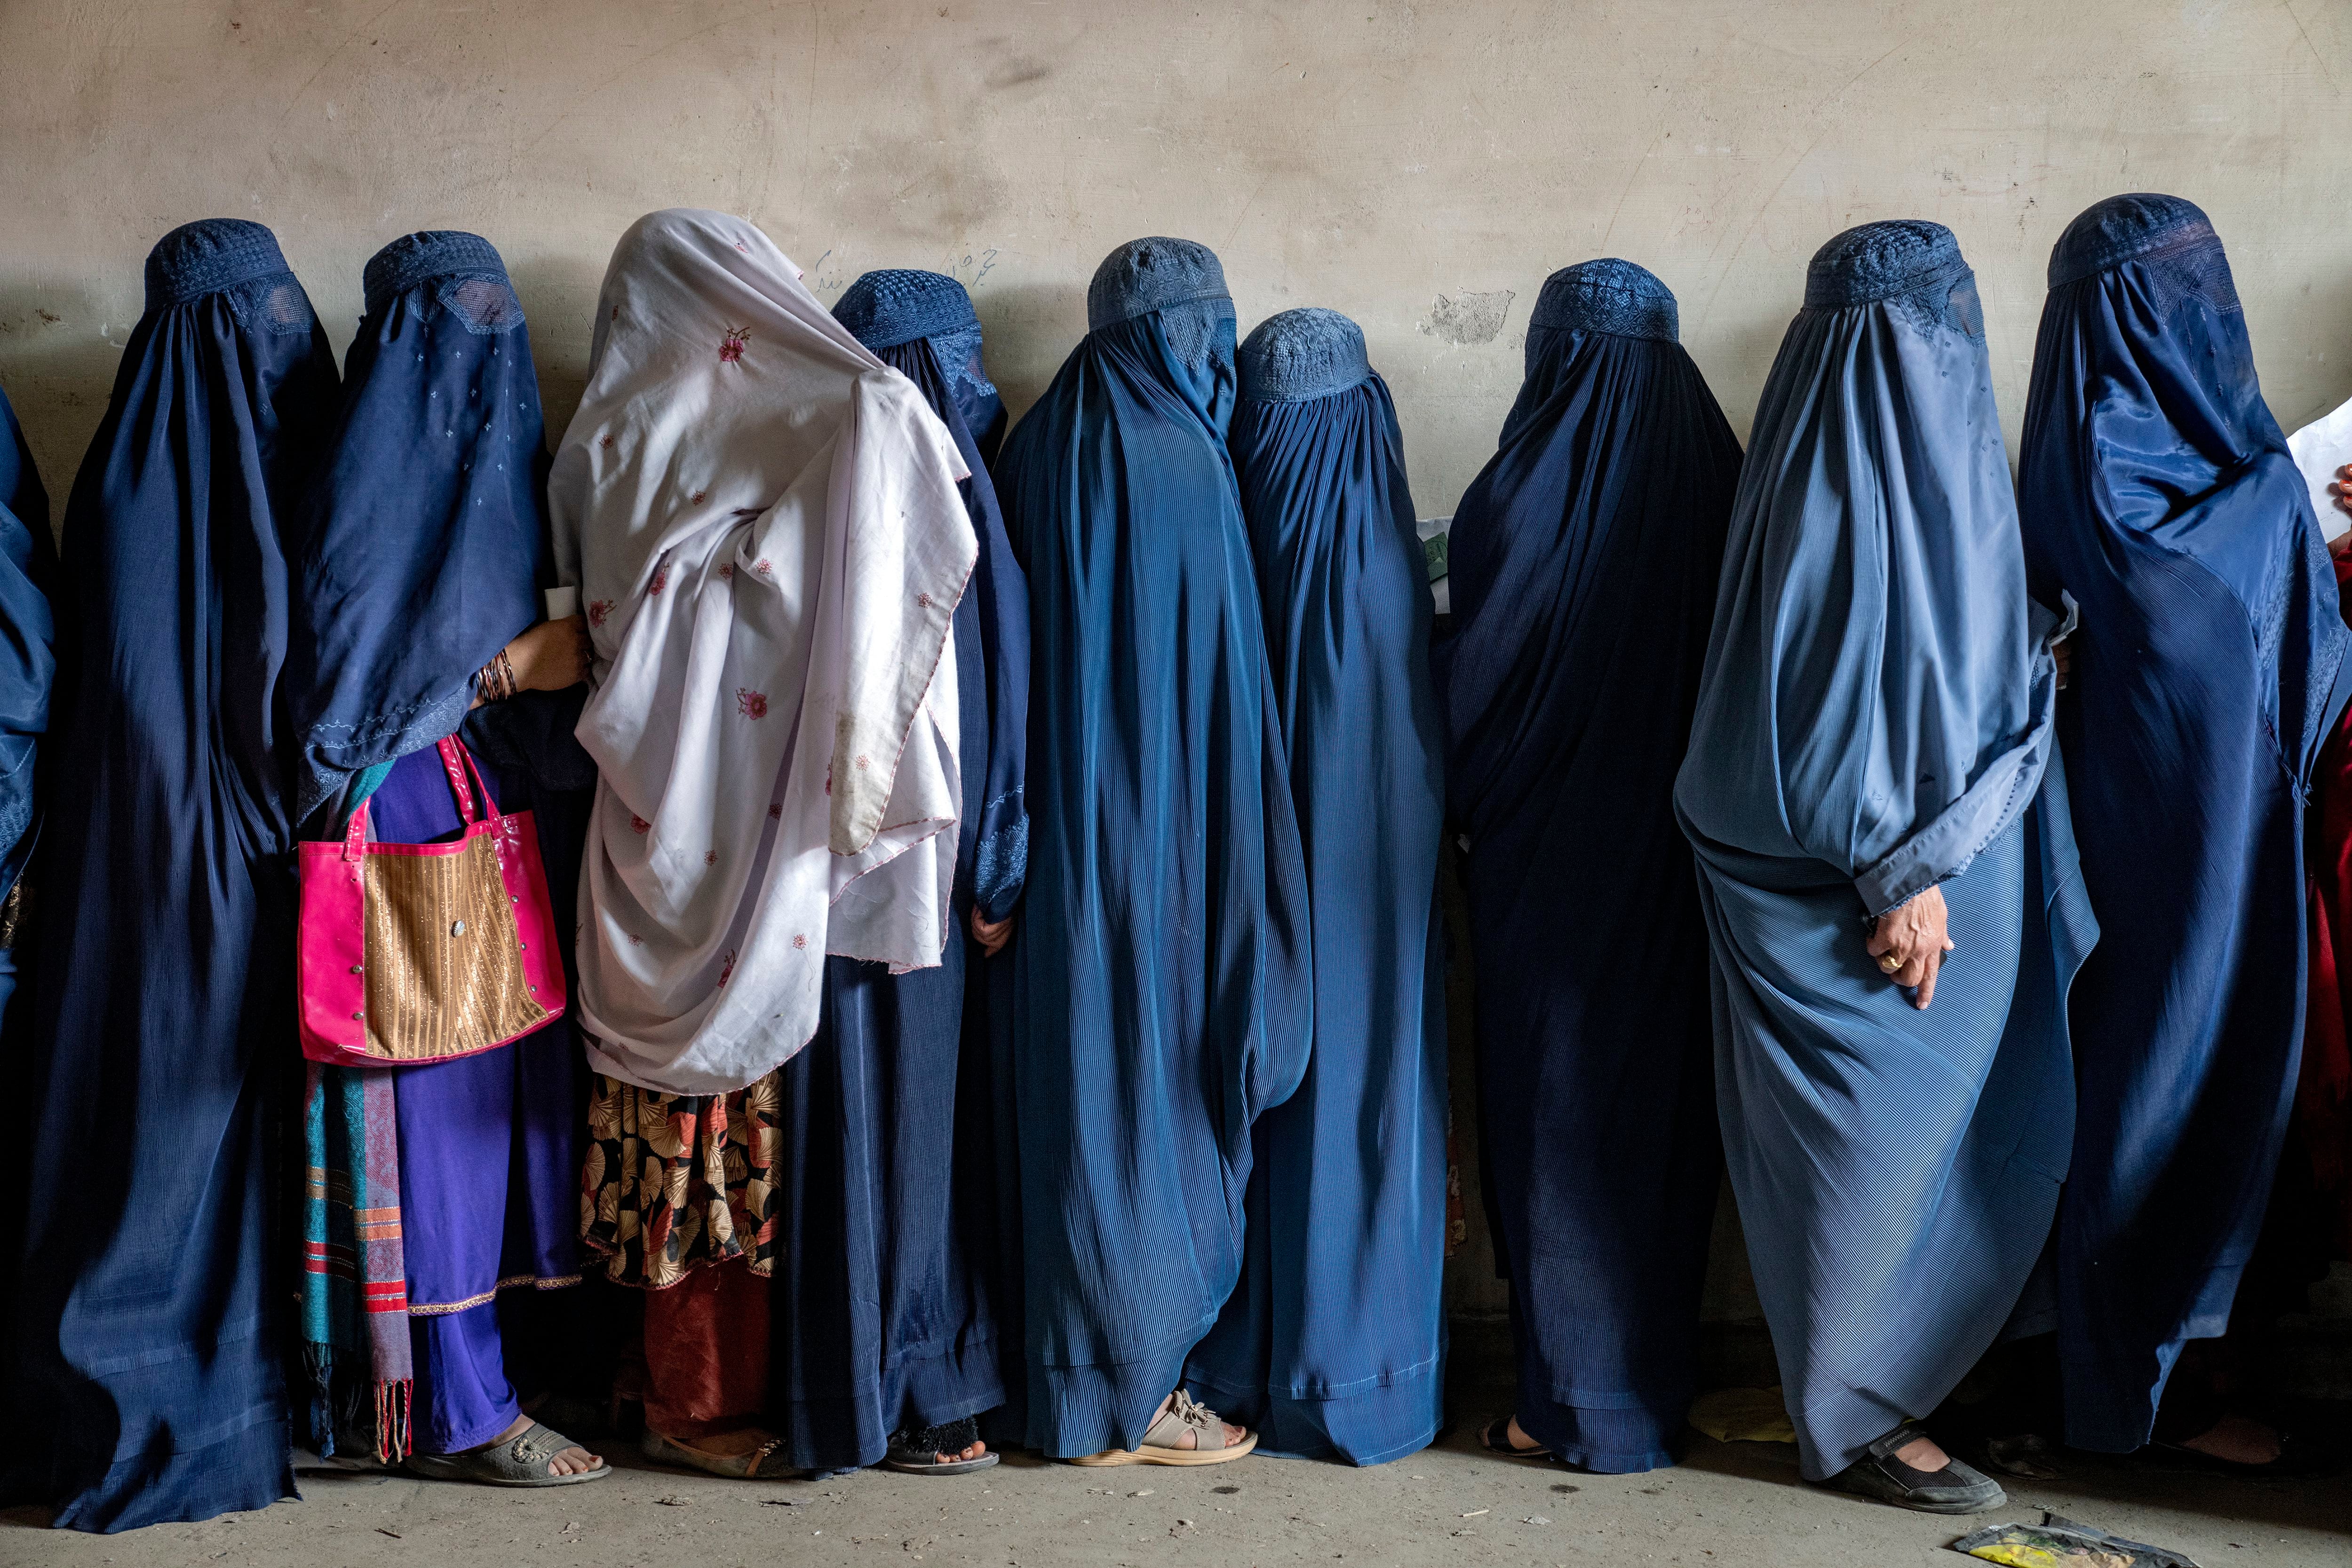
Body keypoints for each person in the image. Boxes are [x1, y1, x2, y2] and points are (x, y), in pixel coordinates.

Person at [1675, 220, 2094, 1514]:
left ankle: (1916, 1383)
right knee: (1863, 1164)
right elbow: (1824, 689)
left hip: (1917, 860)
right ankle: (1853, 1418)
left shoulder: (1906, 441)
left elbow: (1946, 639)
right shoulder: (1838, 468)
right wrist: (1894, 864)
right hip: (1864, 883)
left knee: (1922, 1161)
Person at [553, 210, 975, 1479]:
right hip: (761, 838)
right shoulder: (832, 423)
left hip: (649, 835)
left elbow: (602, 616)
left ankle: (663, 1377)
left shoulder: (601, 437)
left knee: (660, 1124)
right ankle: (699, 1399)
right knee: (724, 1133)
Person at [1, 219, 340, 1531]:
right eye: (264, 325)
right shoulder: (198, 480)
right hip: (200, 863)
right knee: (171, 1136)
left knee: (139, 1130)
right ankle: (154, 1412)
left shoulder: (135, 465)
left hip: (129, 862)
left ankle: (139, 1401)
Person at [2018, 193, 2347, 1471]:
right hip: (2215, 868)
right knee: (2189, 1093)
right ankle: (2156, 1402)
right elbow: (2296, 678)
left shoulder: (2056, 472)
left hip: (2095, 871)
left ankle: (2114, 1382)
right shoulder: (2251, 499)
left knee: (2121, 1089)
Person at [687, 267, 1028, 1478]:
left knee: (850, 1145)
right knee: (913, 1143)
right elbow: (987, 699)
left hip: (810, 878)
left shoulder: (803, 473)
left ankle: (859, 1387)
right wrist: (997, 865)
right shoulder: (946, 482)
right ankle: (913, 1389)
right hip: (906, 882)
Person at [283, 230, 602, 1485]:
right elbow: (336, 687)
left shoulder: (506, 468)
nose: (486, 344)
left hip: (479, 818)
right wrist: (504, 668)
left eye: (497, 317)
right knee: (430, 1153)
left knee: (488, 1134)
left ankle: (464, 1385)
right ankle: (459, 1403)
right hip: (397, 839)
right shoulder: (355, 488)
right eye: (455, 322)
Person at [993, 238, 1311, 1465]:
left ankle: (1072, 1376)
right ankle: (1138, 1384)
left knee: (1071, 1101)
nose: (1219, 360)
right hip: (1166, 865)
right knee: (1157, 1110)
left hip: (1052, 869)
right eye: (1207, 335)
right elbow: (1232, 710)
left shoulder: (1032, 445)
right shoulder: (1186, 466)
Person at [1436, 260, 1737, 1473]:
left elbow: (1472, 691)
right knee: (1662, 1130)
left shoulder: (1512, 499)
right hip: (1692, 874)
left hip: (1545, 874)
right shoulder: (1730, 484)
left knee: (1556, 1122)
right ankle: (1651, 1389)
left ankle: (1566, 1405)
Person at [1180, 307, 1447, 1465]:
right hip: (1378, 886)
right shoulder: (1384, 556)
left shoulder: (1221, 547)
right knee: (1367, 1092)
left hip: (1246, 894)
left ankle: (1236, 1359)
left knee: (1254, 1075)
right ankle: (1360, 1372)